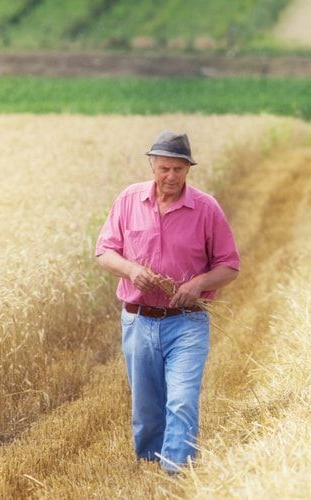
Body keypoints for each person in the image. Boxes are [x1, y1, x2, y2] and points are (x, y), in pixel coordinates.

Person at [95, 131, 240, 474]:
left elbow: (229, 265)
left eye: (178, 169)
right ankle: (149, 468)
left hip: (187, 321)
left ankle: (177, 472)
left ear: (188, 169)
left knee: (182, 401)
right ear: (152, 166)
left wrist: (198, 284)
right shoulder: (129, 200)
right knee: (146, 409)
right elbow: (104, 251)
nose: (170, 177)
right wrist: (131, 270)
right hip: (138, 319)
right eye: (164, 169)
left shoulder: (206, 208)